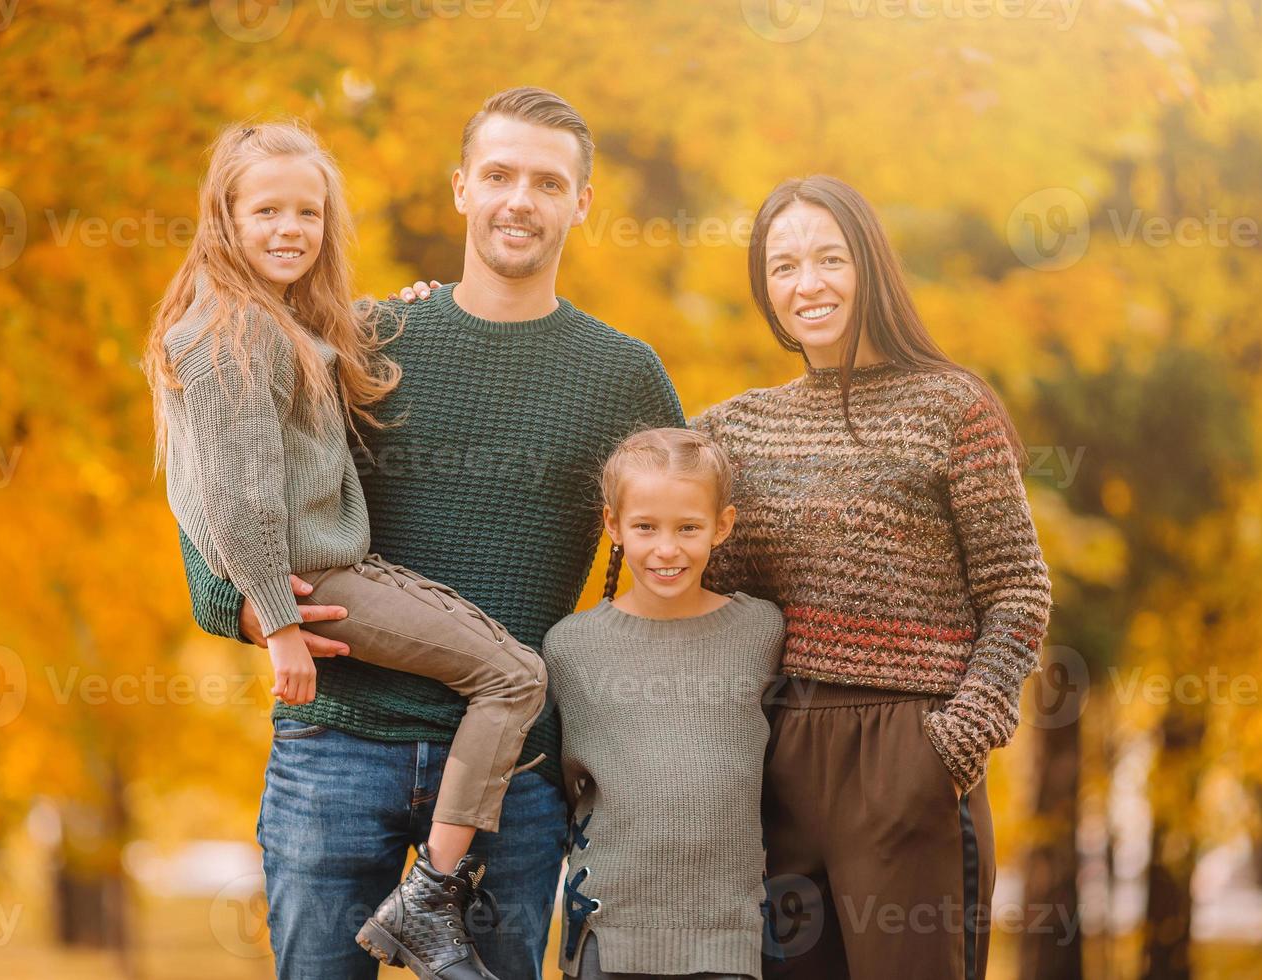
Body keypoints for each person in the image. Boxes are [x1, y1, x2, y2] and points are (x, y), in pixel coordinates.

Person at [175, 88, 685, 980]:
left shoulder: (624, 374)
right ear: (461, 189)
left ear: (582, 202)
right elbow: (221, 476)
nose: (519, 199)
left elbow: (678, 549)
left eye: (546, 181)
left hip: (512, 779)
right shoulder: (361, 335)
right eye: (498, 175)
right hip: (334, 748)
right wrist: (246, 612)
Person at [144, 118, 559, 979]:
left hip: (346, 569)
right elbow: (234, 498)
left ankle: (429, 896)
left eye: (308, 212)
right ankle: (431, 901)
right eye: (266, 211)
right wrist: (279, 621)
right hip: (323, 587)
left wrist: (405, 315)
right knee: (514, 677)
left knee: (509, 670)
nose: (290, 229)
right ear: (223, 218)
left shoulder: (282, 324)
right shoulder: (229, 333)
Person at [690, 176, 1053, 980]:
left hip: (908, 749)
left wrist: (950, 748)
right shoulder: (731, 428)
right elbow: (667, 553)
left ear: (871, 266)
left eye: (829, 257)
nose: (807, 283)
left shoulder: (951, 406)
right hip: (776, 756)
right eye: (782, 267)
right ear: (765, 290)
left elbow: (1018, 591)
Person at [542, 428, 784, 980]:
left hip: (728, 932)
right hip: (609, 928)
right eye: (645, 527)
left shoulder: (760, 631)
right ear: (613, 525)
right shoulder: (571, 647)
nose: (666, 548)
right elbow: (565, 788)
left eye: (688, 528)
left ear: (722, 527)